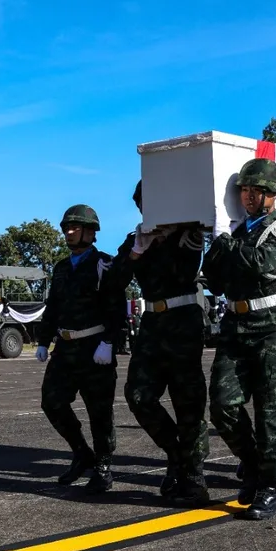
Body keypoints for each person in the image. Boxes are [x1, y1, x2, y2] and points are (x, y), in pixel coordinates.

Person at [201, 158, 276, 521]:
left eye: (255, 190)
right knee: (222, 405)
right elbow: (213, 281)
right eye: (244, 190)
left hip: (273, 329)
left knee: (270, 412)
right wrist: (216, 244)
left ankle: (270, 487)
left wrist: (227, 241)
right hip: (236, 327)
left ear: (272, 195)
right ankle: (255, 466)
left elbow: (261, 262)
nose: (248, 196)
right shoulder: (236, 232)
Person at [112, 180, 210, 507]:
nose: (147, 208)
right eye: (143, 203)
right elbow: (114, 281)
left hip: (183, 319)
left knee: (187, 400)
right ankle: (177, 455)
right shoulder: (135, 239)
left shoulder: (188, 233)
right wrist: (136, 252)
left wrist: (160, 242)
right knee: (138, 395)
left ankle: (194, 477)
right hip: (152, 322)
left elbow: (182, 272)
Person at [34, 204, 124, 493]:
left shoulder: (104, 264)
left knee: (99, 411)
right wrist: (43, 341)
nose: (68, 233)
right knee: (52, 402)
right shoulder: (61, 268)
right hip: (65, 348)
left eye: (74, 228)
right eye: (66, 229)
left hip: (94, 347)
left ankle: (103, 466)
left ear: (90, 231)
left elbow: (116, 307)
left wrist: (109, 342)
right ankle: (82, 452)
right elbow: (52, 307)